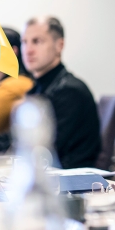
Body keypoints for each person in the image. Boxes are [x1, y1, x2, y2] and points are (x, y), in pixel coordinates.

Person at [22, 16, 101, 169]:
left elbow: (43, 149)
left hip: (69, 185)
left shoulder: (70, 91)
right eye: (25, 42)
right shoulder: (35, 89)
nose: (28, 50)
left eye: (37, 41)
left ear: (59, 45)